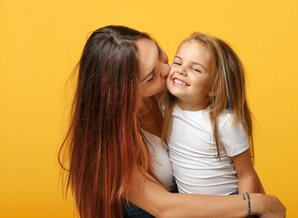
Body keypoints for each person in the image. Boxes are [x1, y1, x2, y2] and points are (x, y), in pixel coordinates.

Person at [58, 25, 286, 218]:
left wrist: (259, 205)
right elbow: (163, 208)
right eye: (151, 75)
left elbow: (239, 164)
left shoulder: (172, 94)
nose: (169, 70)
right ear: (125, 94)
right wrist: (254, 204)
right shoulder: (106, 148)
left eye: (159, 53)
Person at [161, 32, 262, 196]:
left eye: (195, 69)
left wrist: (247, 210)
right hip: (190, 206)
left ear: (215, 88)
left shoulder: (225, 122)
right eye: (178, 62)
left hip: (228, 204)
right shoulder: (165, 106)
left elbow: (246, 175)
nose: (181, 71)